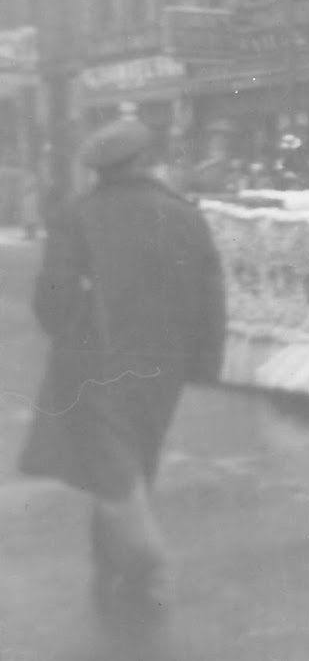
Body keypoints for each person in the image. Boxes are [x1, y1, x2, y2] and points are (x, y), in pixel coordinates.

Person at [16, 118, 227, 617]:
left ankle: (145, 567)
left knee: (112, 465)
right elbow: (210, 296)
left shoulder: (79, 216)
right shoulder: (184, 215)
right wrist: (204, 362)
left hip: (97, 362)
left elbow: (52, 303)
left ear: (102, 170)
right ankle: (116, 568)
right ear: (144, 161)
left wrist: (76, 325)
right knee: (136, 461)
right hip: (165, 364)